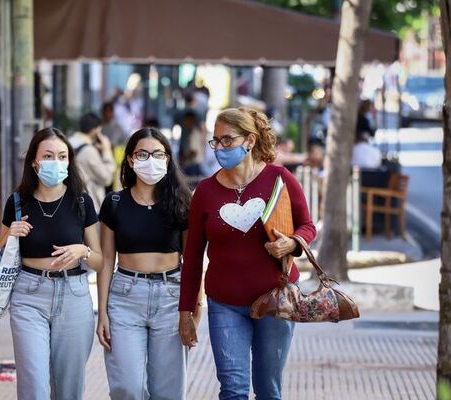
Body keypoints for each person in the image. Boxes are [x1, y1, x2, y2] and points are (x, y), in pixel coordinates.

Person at [178, 107, 316, 400]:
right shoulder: (204, 191)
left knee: (268, 389)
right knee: (232, 389)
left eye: (227, 140)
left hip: (276, 300)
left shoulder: (281, 179)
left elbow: (307, 226)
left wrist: (292, 243)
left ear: (250, 141)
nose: (220, 148)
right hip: (224, 304)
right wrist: (186, 309)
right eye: (215, 141)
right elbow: (192, 257)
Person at [0, 127, 103, 400]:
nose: (55, 162)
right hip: (29, 295)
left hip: (74, 294)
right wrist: (10, 235)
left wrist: (83, 250)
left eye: (62, 156)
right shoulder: (17, 202)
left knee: (69, 389)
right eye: (48, 155)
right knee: (34, 385)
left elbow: (100, 261)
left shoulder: (81, 201)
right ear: (34, 161)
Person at [96, 128, 200, 400]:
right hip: (125, 297)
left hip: (171, 297)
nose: (150, 160)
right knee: (126, 388)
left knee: (168, 392)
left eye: (158, 154)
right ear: (130, 159)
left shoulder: (182, 202)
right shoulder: (114, 203)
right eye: (142, 153)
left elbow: (192, 260)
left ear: (167, 158)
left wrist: (194, 307)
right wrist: (102, 312)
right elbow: (107, 260)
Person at [69, 113, 116, 211]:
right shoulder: (88, 151)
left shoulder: (69, 142)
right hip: (87, 204)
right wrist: (107, 151)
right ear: (95, 129)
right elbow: (106, 178)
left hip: (71, 200)